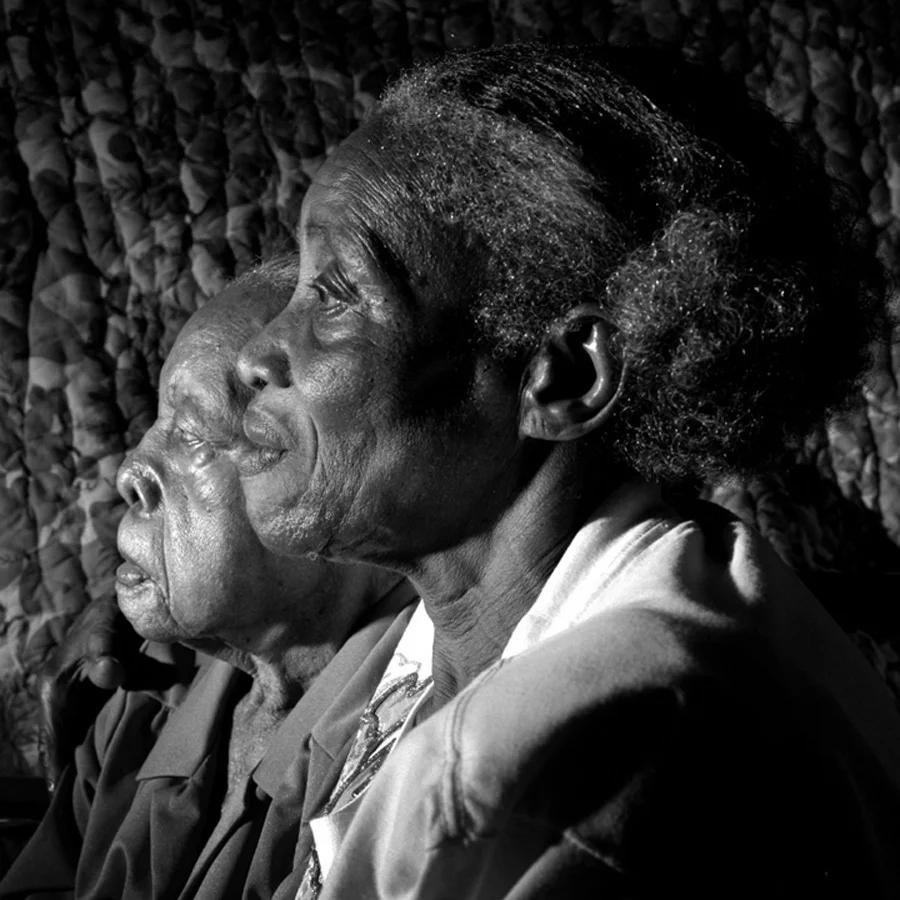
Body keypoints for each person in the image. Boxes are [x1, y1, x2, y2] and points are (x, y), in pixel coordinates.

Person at [234, 44, 900, 897]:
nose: (257, 353)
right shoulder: (457, 622)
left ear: (564, 378)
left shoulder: (599, 763)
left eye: (337, 295)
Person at [0, 258, 416, 900]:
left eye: (194, 430)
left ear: (339, 490)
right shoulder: (135, 704)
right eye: (158, 423)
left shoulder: (398, 758)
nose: (129, 471)